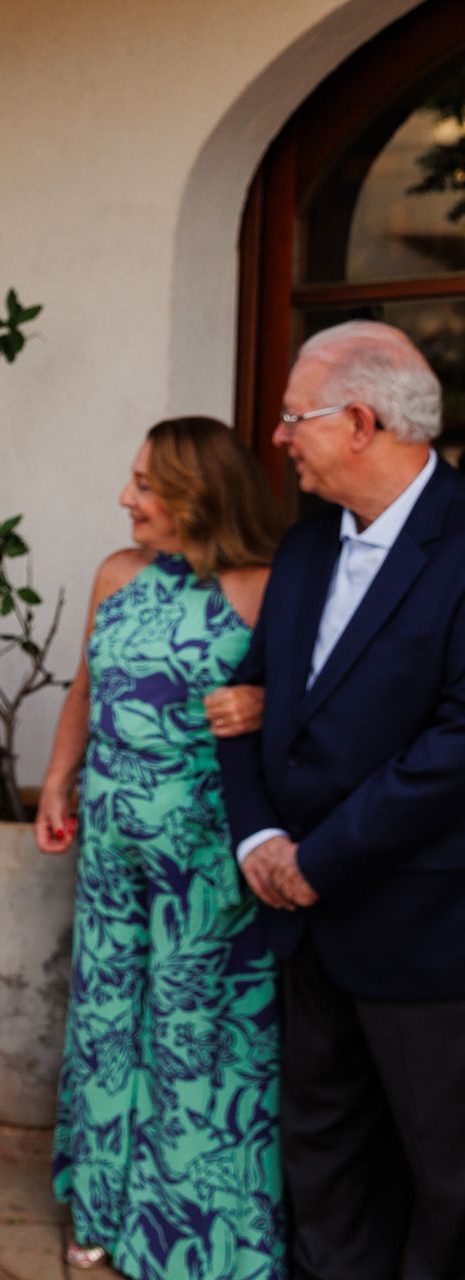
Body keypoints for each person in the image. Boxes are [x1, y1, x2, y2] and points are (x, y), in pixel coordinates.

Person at [216, 320, 465, 1280]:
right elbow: (243, 705)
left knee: (443, 1177)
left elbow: (456, 746)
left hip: (427, 932)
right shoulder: (310, 541)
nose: (278, 438)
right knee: (320, 1163)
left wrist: (316, 860)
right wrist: (262, 841)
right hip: (301, 925)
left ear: (360, 421)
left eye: (294, 418)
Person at [35, 417, 287, 1278]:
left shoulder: (266, 585)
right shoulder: (119, 573)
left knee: (194, 1034)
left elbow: (311, 709)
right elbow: (84, 688)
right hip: (111, 846)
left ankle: (186, 1235)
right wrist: (58, 782)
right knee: (107, 1018)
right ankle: (102, 1206)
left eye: (145, 486)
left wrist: (261, 703)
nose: (125, 499)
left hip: (207, 858)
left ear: (198, 497)